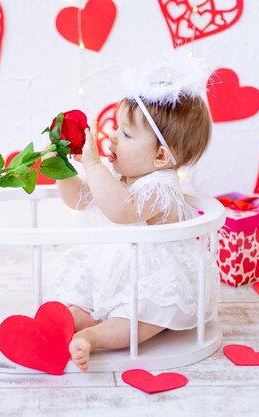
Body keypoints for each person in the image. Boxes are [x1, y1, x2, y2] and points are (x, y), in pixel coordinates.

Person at [49, 55, 218, 372]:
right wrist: (59, 166)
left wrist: (93, 164)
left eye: (125, 134)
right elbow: (78, 200)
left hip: (150, 279)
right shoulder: (118, 180)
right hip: (111, 273)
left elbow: (121, 210)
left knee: (140, 317)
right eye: (116, 127)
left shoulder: (161, 187)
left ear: (160, 156)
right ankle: (72, 318)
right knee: (79, 299)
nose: (112, 136)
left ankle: (94, 337)